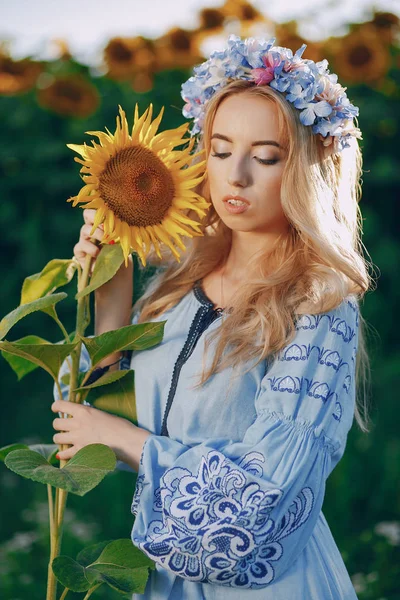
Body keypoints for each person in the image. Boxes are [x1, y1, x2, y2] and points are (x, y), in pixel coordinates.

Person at [52, 34, 373, 599]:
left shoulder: (319, 304)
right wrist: (110, 293)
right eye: (221, 151)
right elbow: (82, 414)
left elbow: (265, 497)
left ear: (306, 169)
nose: (237, 176)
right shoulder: (177, 284)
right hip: (165, 582)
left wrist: (131, 444)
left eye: (266, 156)